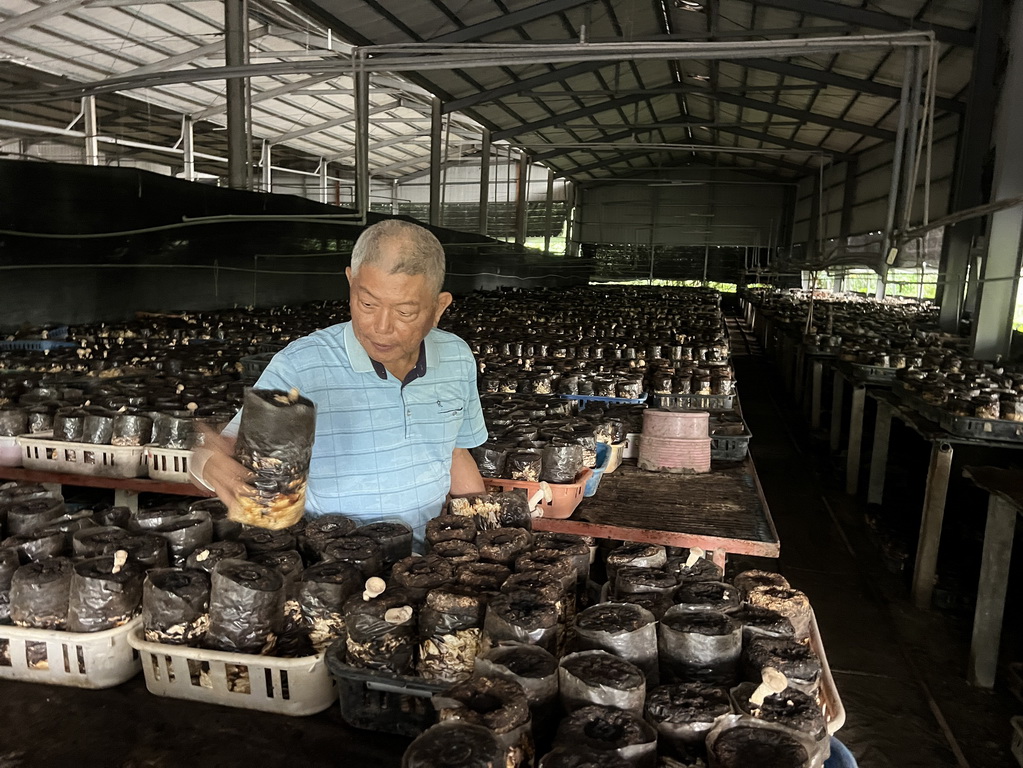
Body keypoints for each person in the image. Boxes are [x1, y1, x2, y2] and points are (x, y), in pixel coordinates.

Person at [190, 219, 488, 544]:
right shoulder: (302, 366)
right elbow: (218, 456)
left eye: (405, 312)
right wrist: (209, 463)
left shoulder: (457, 357)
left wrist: (485, 530)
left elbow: (455, 453)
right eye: (368, 304)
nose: (381, 327)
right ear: (351, 282)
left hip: (427, 557)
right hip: (334, 558)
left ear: (438, 307)